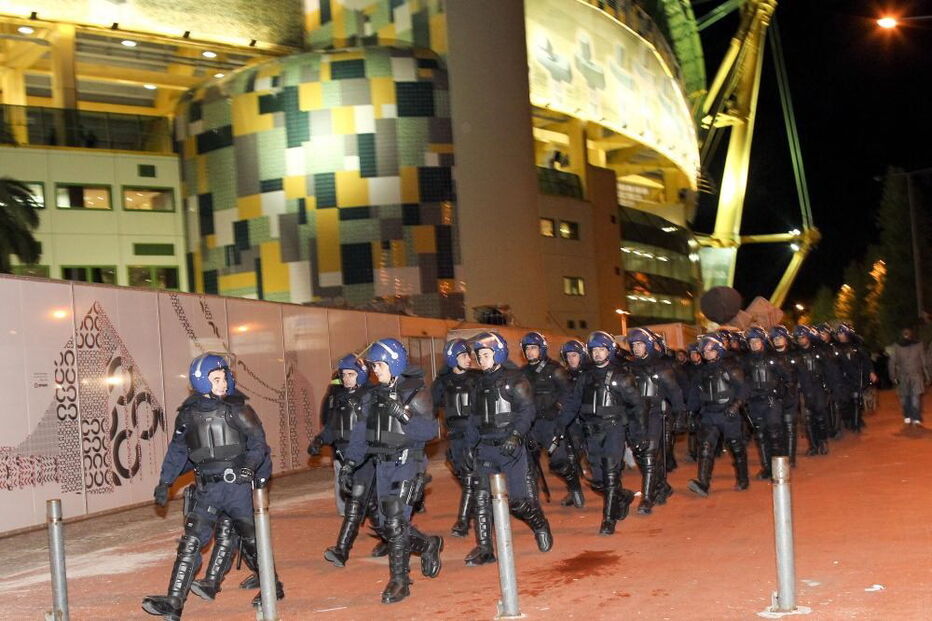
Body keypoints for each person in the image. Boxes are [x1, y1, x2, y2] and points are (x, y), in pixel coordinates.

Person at [142, 354, 282, 620]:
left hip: (236, 487)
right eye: (215, 379)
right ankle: (174, 602)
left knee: (252, 543)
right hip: (206, 490)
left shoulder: (239, 409)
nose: (222, 384)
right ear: (200, 382)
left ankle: (272, 586)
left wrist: (250, 468)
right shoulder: (187, 415)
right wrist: (165, 481)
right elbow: (177, 451)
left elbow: (258, 445)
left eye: (223, 378)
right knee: (191, 542)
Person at [342, 338, 443, 604]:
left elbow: (431, 432)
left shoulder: (416, 391)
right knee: (388, 527)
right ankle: (428, 545)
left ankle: (400, 581)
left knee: (396, 523)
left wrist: (405, 415)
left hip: (409, 462)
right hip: (382, 464)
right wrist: (350, 464)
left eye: (379, 365)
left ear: (394, 363)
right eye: (374, 366)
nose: (375, 370)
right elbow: (361, 433)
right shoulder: (372, 396)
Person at [464, 331, 553, 565]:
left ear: (498, 353)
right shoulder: (478, 383)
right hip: (485, 448)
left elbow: (527, 410)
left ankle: (540, 524)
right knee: (481, 498)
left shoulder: (515, 379)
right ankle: (485, 548)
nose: (480, 359)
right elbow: (474, 418)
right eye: (478, 355)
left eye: (485, 354)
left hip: (510, 447)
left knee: (518, 501)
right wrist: (469, 446)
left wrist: (515, 435)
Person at [561, 331, 645, 534]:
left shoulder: (621, 376)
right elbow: (573, 404)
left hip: (613, 429)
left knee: (609, 472)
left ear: (609, 351)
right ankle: (622, 496)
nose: (597, 354)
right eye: (594, 350)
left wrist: (637, 435)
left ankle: (608, 520)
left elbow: (637, 406)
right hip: (591, 431)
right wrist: (560, 426)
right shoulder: (585, 377)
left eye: (601, 350)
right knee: (598, 479)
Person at [311, 354, 385, 567]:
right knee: (370, 505)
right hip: (346, 458)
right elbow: (333, 427)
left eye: (351, 374)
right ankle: (392, 539)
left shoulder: (370, 396)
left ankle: (342, 550)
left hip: (364, 458)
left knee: (355, 503)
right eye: (344, 375)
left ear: (361, 375)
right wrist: (320, 440)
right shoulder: (340, 397)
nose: (347, 379)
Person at [625, 328, 685, 515]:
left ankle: (647, 498)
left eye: (640, 344)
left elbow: (675, 393)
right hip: (635, 417)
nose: (636, 348)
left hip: (654, 415)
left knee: (649, 456)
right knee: (641, 457)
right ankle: (662, 486)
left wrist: (680, 416)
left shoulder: (662, 368)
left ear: (648, 345)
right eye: (634, 345)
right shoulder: (630, 368)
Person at [519, 332, 581, 508]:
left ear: (542, 349)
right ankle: (532, 501)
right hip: (531, 424)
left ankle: (574, 487)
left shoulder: (555, 370)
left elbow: (569, 394)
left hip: (552, 423)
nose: (530, 352)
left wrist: (559, 408)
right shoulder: (522, 373)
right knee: (529, 465)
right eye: (527, 349)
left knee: (559, 462)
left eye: (533, 348)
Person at [686, 335, 750, 497]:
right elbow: (694, 395)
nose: (707, 354)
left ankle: (743, 478)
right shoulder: (701, 372)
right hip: (709, 414)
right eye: (704, 351)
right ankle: (703, 483)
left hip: (728, 414)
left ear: (718, 349)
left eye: (710, 350)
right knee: (705, 447)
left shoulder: (731, 367)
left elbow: (743, 390)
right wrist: (690, 414)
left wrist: (735, 406)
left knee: (736, 447)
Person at [432, 338, 481, 537]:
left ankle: (462, 521)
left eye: (468, 355)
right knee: (463, 474)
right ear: (453, 358)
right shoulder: (442, 383)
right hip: (454, 436)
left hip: (474, 434)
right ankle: (479, 507)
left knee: (470, 477)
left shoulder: (477, 378)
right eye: (463, 355)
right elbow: (430, 408)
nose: (468, 359)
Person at [743, 327, 790, 480]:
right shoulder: (747, 361)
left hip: (771, 402)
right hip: (755, 403)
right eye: (751, 342)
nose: (754, 344)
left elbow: (788, 378)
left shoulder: (774, 357)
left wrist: (779, 395)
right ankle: (767, 468)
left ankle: (779, 468)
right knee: (761, 436)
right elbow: (743, 381)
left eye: (756, 341)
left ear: (762, 341)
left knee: (775, 435)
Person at [793, 325, 832, 455]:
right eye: (798, 338)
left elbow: (827, 369)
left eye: (803, 337)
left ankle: (823, 441)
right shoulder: (796, 354)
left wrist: (828, 386)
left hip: (818, 387)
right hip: (804, 389)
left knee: (820, 415)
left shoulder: (818, 351)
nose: (800, 340)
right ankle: (813, 445)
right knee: (808, 418)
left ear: (808, 337)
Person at [833, 324, 876, 432]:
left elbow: (866, 360)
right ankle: (850, 421)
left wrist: (871, 372)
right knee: (847, 402)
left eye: (842, 333)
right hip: (843, 380)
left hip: (856, 378)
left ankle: (856, 425)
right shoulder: (836, 348)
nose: (840, 335)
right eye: (839, 333)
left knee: (856, 401)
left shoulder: (856, 347)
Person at [769, 325, 800, 466]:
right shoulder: (769, 357)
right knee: (777, 427)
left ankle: (790, 458)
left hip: (791, 395)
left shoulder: (794, 355)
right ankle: (781, 456)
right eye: (774, 338)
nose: (777, 340)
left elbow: (801, 374)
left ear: (786, 339)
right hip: (775, 397)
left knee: (789, 426)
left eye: (780, 337)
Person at [889, 328, 930, 425]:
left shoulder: (896, 346)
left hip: (903, 375)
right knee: (915, 396)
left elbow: (892, 362)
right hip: (916, 375)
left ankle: (907, 416)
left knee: (905, 396)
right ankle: (915, 417)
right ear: (912, 335)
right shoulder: (919, 345)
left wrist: (893, 376)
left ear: (902, 335)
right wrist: (927, 375)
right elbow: (924, 362)